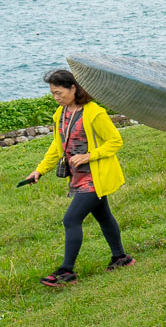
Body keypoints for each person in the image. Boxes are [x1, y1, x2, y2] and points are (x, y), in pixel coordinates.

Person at [23, 69, 134, 287]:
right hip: (77, 177)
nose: (56, 97)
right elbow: (57, 146)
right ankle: (121, 258)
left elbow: (115, 141)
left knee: (71, 219)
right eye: (53, 93)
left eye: (58, 92)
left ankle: (66, 272)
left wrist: (89, 155)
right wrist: (39, 170)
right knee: (104, 217)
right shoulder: (61, 114)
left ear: (73, 87)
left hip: (95, 177)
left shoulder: (94, 113)